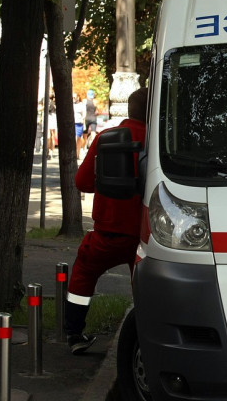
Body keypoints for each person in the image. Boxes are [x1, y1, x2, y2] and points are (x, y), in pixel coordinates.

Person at [65, 87, 148, 354]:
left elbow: (82, 182)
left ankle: (75, 334)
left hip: (108, 232)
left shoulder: (106, 138)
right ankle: (147, 339)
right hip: (145, 236)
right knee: (147, 287)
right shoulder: (158, 142)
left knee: (84, 274)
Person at [73, 93, 87, 160]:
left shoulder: (82, 105)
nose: (73, 99)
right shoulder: (71, 105)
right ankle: (75, 154)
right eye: (72, 97)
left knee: (78, 139)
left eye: (74, 97)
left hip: (79, 123)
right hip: (72, 123)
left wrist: (82, 119)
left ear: (78, 97)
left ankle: (77, 154)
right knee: (75, 138)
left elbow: (84, 114)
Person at [47, 96, 58, 160]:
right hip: (50, 117)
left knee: (52, 136)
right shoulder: (46, 99)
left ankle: (50, 152)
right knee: (49, 136)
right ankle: (48, 151)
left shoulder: (54, 101)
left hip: (53, 117)